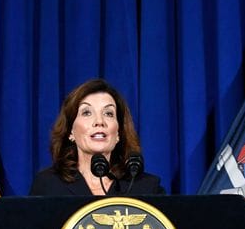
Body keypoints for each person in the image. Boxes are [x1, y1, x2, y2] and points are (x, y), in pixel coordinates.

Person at [29, 78, 165, 195]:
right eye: (87, 113)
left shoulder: (147, 188)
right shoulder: (47, 185)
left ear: (118, 132)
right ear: (71, 131)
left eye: (109, 113)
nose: (99, 121)